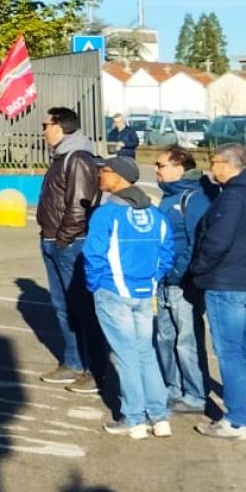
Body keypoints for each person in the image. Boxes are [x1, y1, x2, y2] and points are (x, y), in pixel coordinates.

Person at [188, 142, 246, 440]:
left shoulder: (233, 198)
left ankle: (235, 420)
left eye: (214, 162)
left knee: (230, 353)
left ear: (229, 164)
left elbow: (216, 243)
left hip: (228, 286)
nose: (212, 168)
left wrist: (197, 269)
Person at [82, 154, 175, 439]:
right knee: (144, 351)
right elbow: (167, 252)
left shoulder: (107, 214)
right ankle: (159, 416)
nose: (99, 176)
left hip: (113, 292)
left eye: (104, 171)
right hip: (144, 293)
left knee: (125, 355)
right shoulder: (156, 214)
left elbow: (93, 254)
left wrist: (94, 285)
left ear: (119, 176)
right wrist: (151, 280)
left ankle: (134, 418)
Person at [36, 107, 104, 394]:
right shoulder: (62, 157)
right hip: (53, 240)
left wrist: (63, 238)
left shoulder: (77, 158)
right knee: (63, 307)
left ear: (60, 127)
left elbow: (79, 204)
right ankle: (73, 362)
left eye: (46, 124)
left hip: (69, 244)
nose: (43, 131)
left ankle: (95, 370)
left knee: (82, 308)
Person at [152, 147, 212, 414]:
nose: (156, 170)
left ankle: (196, 395)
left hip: (182, 284)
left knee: (186, 340)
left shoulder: (194, 198)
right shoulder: (167, 197)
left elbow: (194, 243)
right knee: (165, 337)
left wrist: (176, 274)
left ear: (179, 167)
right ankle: (172, 388)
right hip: (163, 281)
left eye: (161, 165)